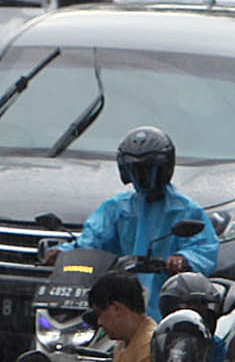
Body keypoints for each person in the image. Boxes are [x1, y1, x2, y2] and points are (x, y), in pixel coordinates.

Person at [72, 125, 221, 309]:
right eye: (135, 169)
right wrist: (64, 252)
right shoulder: (117, 207)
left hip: (168, 300)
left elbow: (204, 248)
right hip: (119, 300)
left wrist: (182, 259)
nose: (141, 176)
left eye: (148, 169)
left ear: (164, 168)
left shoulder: (185, 209)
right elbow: (92, 241)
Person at [85, 271, 154, 362]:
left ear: (117, 308)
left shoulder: (150, 345)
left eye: (100, 314)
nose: (99, 322)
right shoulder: (123, 340)